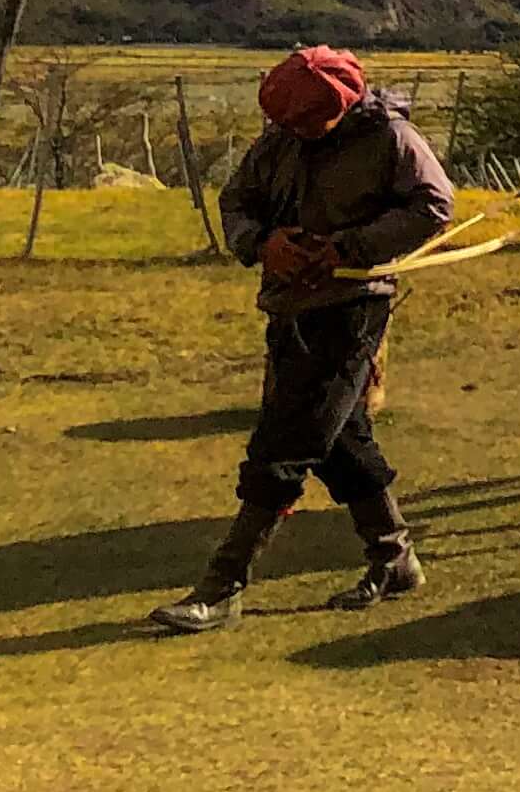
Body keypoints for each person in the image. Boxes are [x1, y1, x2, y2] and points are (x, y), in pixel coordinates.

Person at [148, 46, 457, 634]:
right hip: (288, 305)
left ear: (341, 108)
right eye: (285, 123)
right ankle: (394, 559)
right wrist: (265, 244)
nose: (292, 132)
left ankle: (222, 587)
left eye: (304, 122)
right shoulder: (282, 139)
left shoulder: (392, 140)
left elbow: (435, 205)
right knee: (341, 439)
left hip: (353, 307)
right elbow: (236, 201)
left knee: (287, 441)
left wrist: (349, 248)